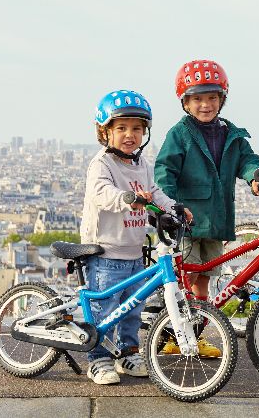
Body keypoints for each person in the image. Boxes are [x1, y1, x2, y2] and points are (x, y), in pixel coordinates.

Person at [155, 59, 259, 357]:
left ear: (222, 99)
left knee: (206, 280)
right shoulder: (179, 134)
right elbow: (164, 170)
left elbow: (247, 159)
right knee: (186, 280)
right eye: (198, 98)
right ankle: (176, 333)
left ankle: (190, 335)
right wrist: (168, 206)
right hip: (187, 223)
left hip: (216, 220)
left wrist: (256, 176)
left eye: (212, 97)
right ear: (186, 102)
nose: (206, 104)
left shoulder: (231, 133)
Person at [81, 89, 189, 384]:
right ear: (105, 132)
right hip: (105, 253)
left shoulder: (140, 165)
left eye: (137, 129)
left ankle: (128, 351)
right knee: (105, 310)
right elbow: (102, 194)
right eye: (122, 128)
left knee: (133, 308)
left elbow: (154, 193)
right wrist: (129, 199)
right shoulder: (102, 164)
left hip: (133, 251)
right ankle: (99, 358)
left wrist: (174, 209)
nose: (130, 135)